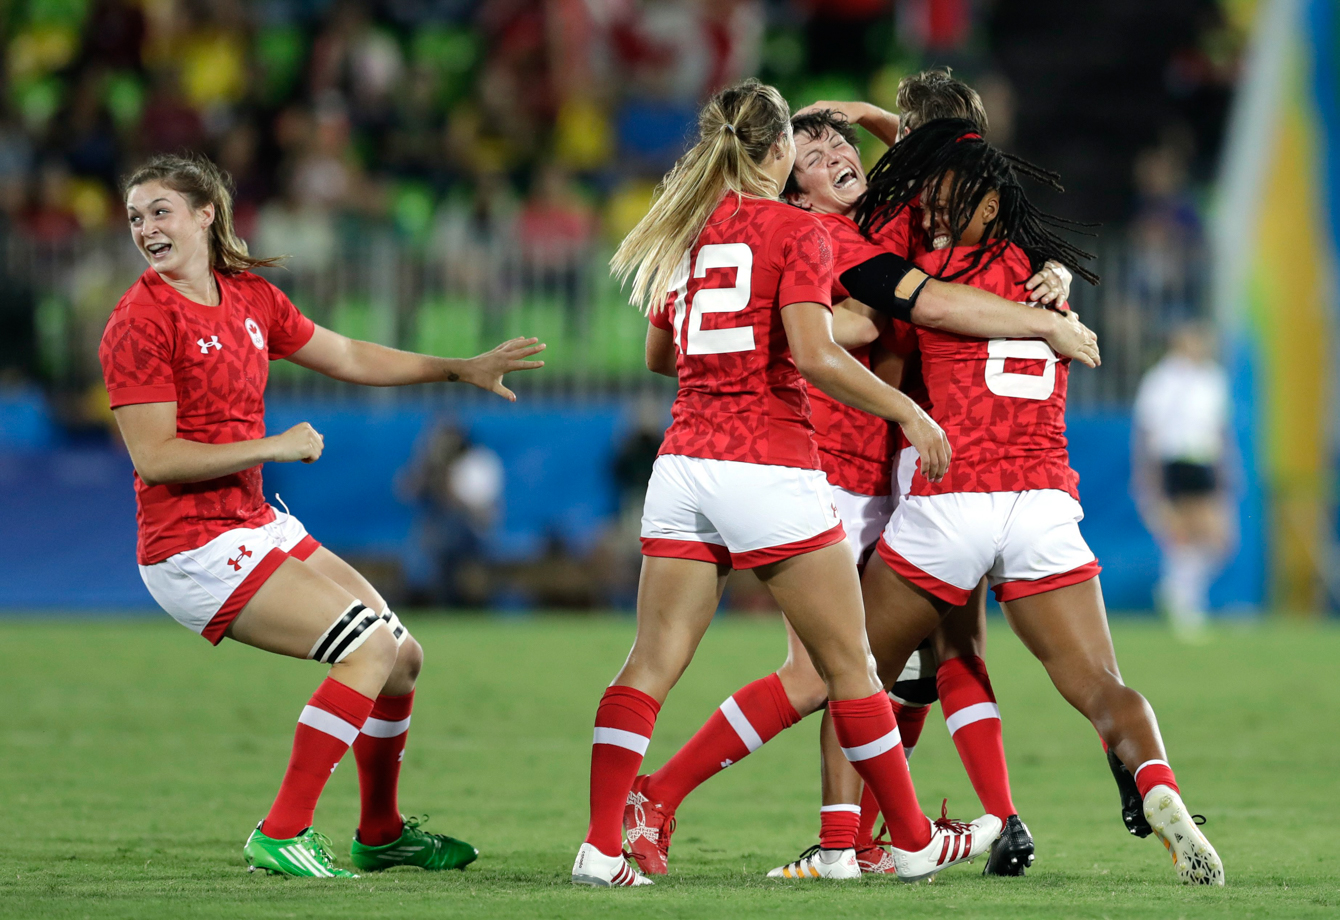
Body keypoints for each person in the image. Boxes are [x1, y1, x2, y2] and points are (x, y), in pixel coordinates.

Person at [623, 72, 1092, 881]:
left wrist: (1054, 267)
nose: (840, 153)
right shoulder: (819, 238)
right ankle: (663, 796)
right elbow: (930, 307)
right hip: (828, 478)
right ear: (790, 184)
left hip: (880, 479)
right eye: (814, 152)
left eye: (844, 144)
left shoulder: (867, 221)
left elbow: (963, 171)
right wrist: (1045, 323)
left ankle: (851, 839)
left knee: (882, 667)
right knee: (824, 674)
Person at [98, 152, 545, 878]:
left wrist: (456, 367)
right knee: (367, 648)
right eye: (135, 217)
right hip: (192, 547)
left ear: (206, 213)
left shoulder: (248, 298)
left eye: (159, 211)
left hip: (250, 523)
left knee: (401, 660)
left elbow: (349, 355)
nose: (145, 228)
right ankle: (282, 832)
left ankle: (381, 832)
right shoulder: (137, 323)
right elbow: (155, 458)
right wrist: (272, 445)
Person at [848, 118, 1224, 886]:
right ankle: (1159, 787)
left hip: (952, 498)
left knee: (853, 671)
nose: (937, 210)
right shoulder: (1046, 276)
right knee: (1100, 685)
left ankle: (850, 841)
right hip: (1044, 505)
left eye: (949, 198)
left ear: (985, 207)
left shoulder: (932, 268)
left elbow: (898, 300)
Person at [1132, 323, 1234, 639]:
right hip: (1175, 461)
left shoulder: (1212, 379)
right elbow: (1147, 431)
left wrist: (1227, 469)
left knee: (1219, 539)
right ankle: (1186, 605)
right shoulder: (1162, 379)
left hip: (1203, 460)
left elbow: (1219, 430)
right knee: (1185, 534)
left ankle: (1179, 590)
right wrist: (1148, 476)